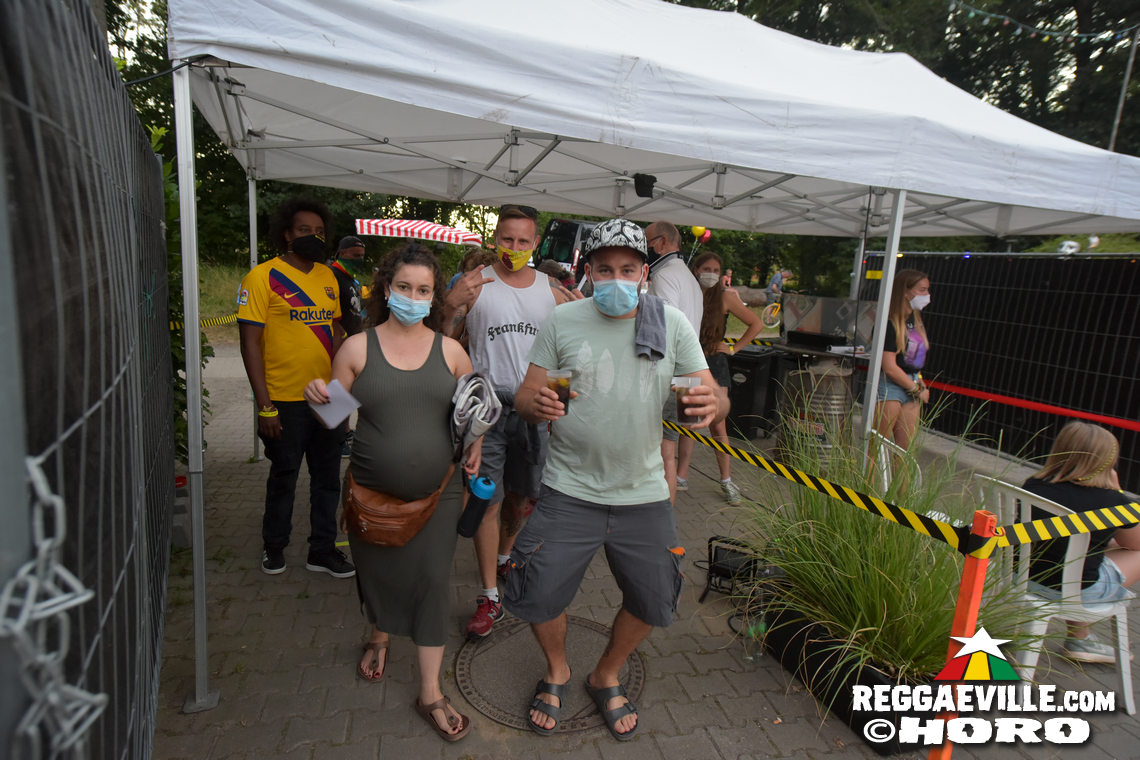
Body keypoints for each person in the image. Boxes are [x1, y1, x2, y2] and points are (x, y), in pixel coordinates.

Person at [506, 218, 724, 741]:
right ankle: (557, 669)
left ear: (644, 273)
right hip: (568, 488)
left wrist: (712, 403)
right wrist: (535, 404)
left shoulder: (669, 322)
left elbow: (709, 392)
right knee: (537, 592)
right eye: (605, 269)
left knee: (655, 597)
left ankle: (606, 673)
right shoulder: (564, 320)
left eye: (628, 269)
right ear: (589, 271)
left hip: (643, 493)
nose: (617, 279)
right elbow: (526, 395)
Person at [303, 244, 479, 742]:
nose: (413, 297)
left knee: (432, 582)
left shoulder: (452, 352)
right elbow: (334, 419)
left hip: (440, 493)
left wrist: (478, 443)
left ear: (435, 296)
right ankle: (379, 634)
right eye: (404, 287)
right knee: (378, 573)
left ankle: (430, 692)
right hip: (370, 493)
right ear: (385, 287)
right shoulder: (356, 349)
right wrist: (318, 399)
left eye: (423, 290)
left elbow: (472, 415)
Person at [443, 204, 577, 640]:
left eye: (523, 241)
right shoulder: (475, 285)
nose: (514, 248)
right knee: (486, 499)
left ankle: (505, 556)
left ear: (535, 243)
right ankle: (489, 597)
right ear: (494, 238)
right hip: (487, 409)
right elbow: (443, 343)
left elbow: (568, 350)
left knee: (524, 497)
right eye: (506, 239)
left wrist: (559, 405)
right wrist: (450, 306)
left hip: (534, 409)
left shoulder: (552, 290)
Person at [236, 198, 355, 579]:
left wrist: (342, 399)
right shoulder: (261, 277)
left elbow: (336, 333)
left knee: (328, 478)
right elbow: (249, 344)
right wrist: (264, 406)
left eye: (319, 232)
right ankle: (274, 546)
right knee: (284, 476)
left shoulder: (328, 277)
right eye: (305, 230)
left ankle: (322, 550)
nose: (313, 237)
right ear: (287, 234)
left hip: (329, 396)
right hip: (283, 399)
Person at [1023, 422, 1140, 663]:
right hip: (1077, 593)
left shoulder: (1033, 484)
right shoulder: (1113, 501)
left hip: (1024, 579)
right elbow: (1136, 544)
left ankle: (1080, 638)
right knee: (1124, 553)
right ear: (1107, 462)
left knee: (1082, 554)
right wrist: (1119, 491)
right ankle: (1080, 638)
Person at [675, 252, 763, 504]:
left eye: (716, 270)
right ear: (696, 269)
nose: (711, 274)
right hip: (687, 361)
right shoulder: (687, 293)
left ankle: (726, 480)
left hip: (714, 364)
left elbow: (756, 324)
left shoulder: (725, 297)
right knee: (687, 420)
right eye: (707, 269)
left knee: (717, 425)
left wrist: (734, 348)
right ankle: (681, 476)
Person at [644, 221, 704, 503]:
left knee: (663, 449)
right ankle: (664, 510)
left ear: (662, 243)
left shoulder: (665, 275)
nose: (644, 248)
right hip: (687, 372)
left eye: (647, 242)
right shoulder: (688, 277)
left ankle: (662, 512)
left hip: (670, 373)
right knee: (674, 442)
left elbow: (664, 328)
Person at [873, 269, 931, 450]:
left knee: (905, 450)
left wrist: (919, 382)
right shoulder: (889, 323)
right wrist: (916, 389)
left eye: (927, 290)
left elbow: (915, 361)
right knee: (877, 448)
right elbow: (889, 367)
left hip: (912, 385)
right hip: (891, 386)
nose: (927, 295)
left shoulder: (915, 321)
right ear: (905, 291)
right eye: (922, 290)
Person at [330, 236, 368, 458]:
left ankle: (344, 430)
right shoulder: (332, 276)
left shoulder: (351, 278)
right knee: (340, 390)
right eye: (355, 256)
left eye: (361, 256)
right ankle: (337, 437)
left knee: (349, 391)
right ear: (342, 253)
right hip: (340, 344)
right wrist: (340, 339)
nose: (359, 260)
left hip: (354, 342)